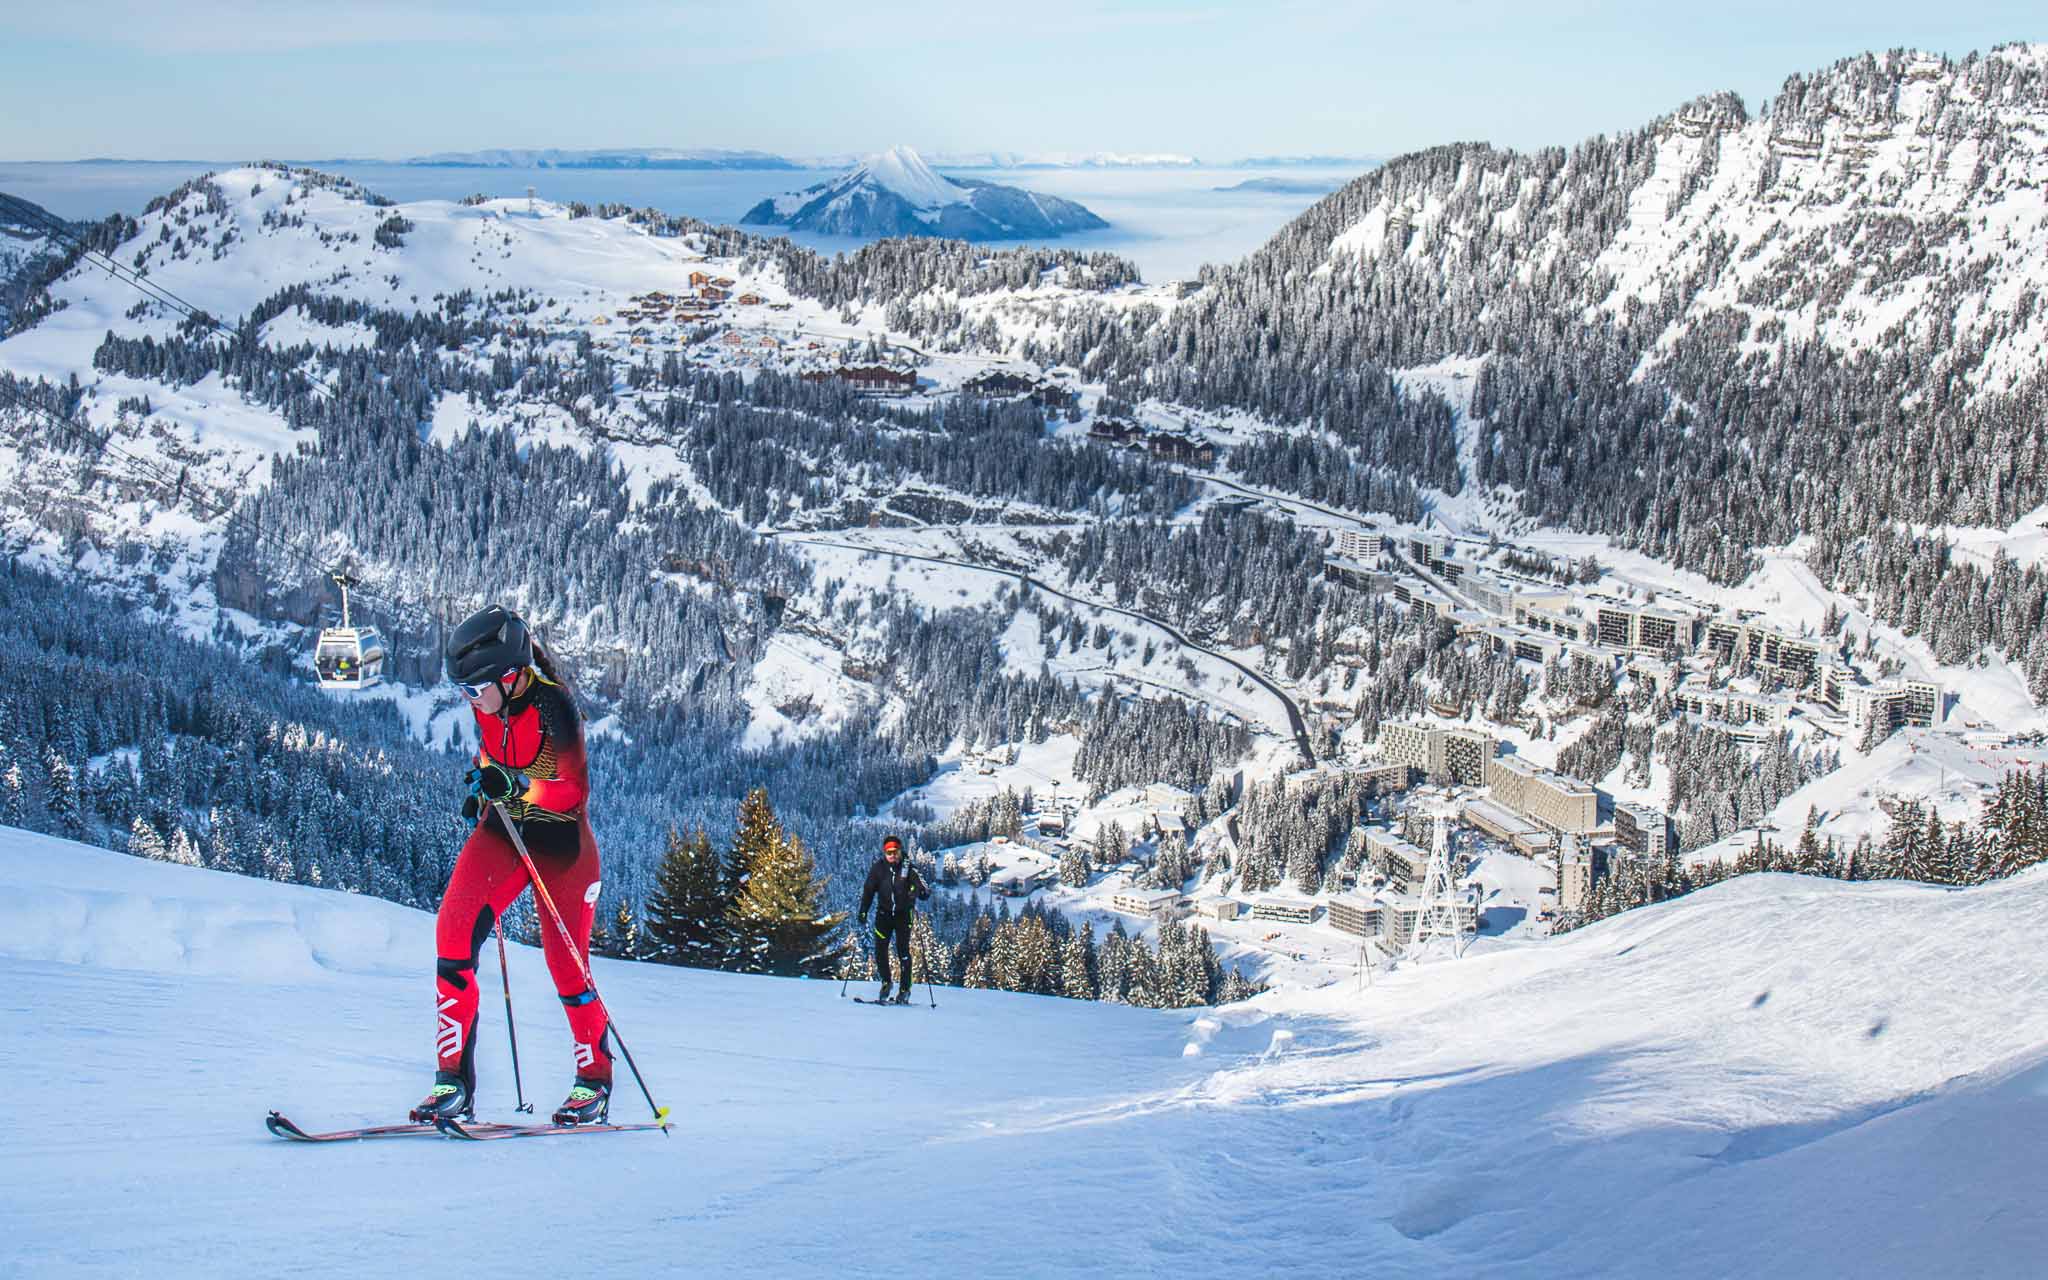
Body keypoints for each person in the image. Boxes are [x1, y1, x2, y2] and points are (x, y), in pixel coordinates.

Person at [410, 605, 614, 1126]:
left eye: (474, 689)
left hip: (562, 845)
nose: (468, 699)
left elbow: (570, 791)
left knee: (566, 964)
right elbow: (493, 752)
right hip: (505, 829)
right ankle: (452, 1080)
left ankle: (594, 1081)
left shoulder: (555, 707)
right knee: (452, 933)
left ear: (507, 675)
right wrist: (483, 782)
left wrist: (517, 784)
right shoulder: (489, 703)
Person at [856, 834, 929, 1004]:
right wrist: (863, 911)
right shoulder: (878, 869)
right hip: (884, 914)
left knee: (902, 951)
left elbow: (924, 888)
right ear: (884, 853)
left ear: (900, 851)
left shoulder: (909, 868)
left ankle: (904, 990)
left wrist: (917, 891)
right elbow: (868, 891)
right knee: (880, 949)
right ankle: (886, 982)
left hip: (904, 915)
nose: (892, 855)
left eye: (895, 852)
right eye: (889, 852)